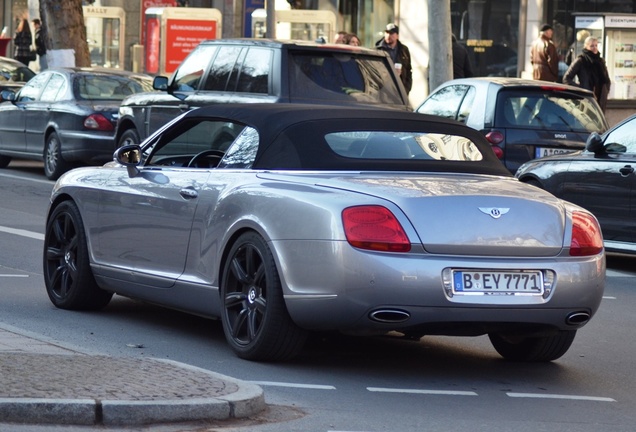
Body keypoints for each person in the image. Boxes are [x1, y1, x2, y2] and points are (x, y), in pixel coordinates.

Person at [563, 36, 611, 112]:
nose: (594, 48)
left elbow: (607, 80)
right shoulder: (581, 60)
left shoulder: (601, 61)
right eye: (592, 46)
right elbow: (566, 79)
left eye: (596, 45)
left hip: (600, 99)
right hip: (586, 98)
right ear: (586, 46)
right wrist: (580, 89)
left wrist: (606, 91)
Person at [376, 23, 412, 94]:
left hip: (399, 90)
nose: (388, 35)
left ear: (397, 36)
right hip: (382, 90)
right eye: (387, 33)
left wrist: (406, 89)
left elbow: (408, 70)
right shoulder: (378, 50)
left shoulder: (403, 50)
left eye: (392, 33)